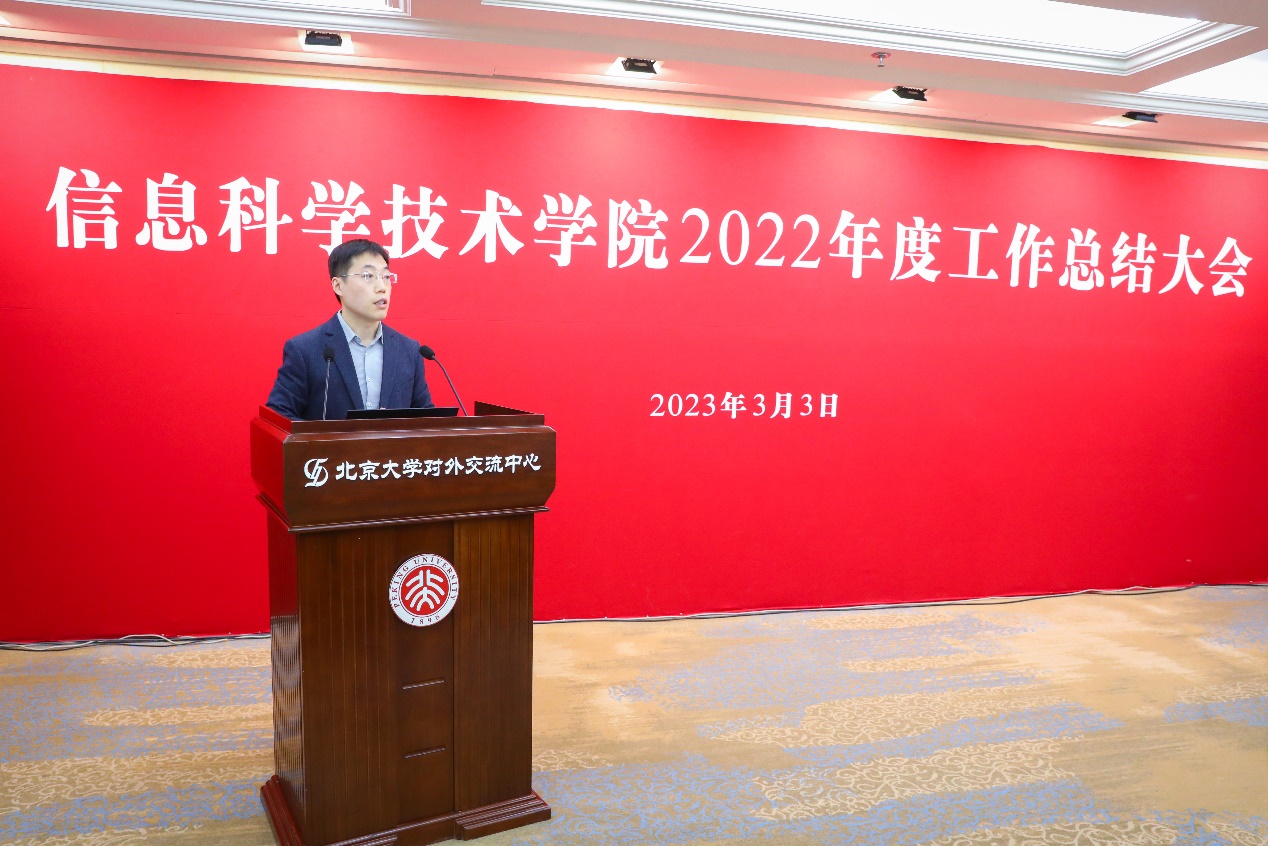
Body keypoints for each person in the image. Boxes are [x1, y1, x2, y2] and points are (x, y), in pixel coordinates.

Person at [266, 239, 433, 420]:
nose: (381, 287)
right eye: (368, 276)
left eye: (386, 277)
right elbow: (279, 416)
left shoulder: (409, 350)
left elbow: (426, 419)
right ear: (338, 286)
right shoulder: (305, 350)